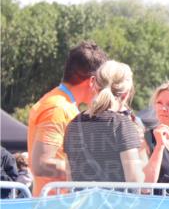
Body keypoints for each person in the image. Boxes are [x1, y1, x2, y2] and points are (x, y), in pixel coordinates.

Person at [27, 40, 108, 195]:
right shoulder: (58, 107)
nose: (102, 90)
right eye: (102, 83)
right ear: (92, 81)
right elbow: (40, 164)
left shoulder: (62, 104)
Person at [63, 61, 145, 184]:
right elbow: (135, 182)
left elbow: (70, 180)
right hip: (116, 202)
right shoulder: (121, 124)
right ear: (125, 94)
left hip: (82, 202)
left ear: (94, 85)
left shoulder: (73, 124)